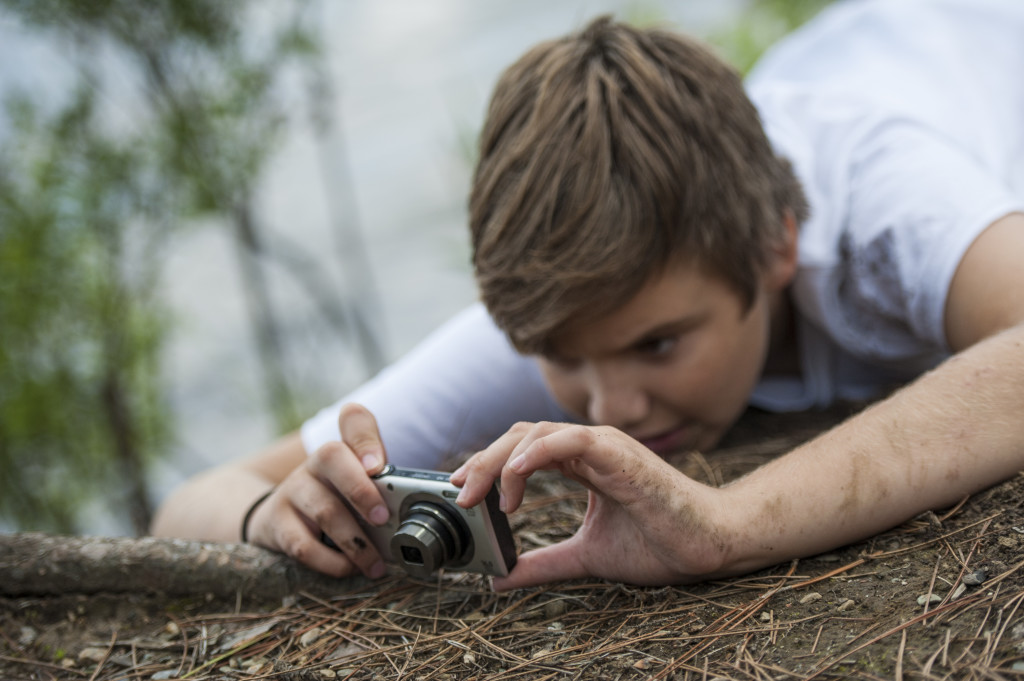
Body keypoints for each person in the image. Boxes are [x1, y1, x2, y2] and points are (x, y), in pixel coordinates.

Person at [151, 0, 1024, 591]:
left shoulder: (885, 210)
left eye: (658, 345)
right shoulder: (579, 304)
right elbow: (191, 500)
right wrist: (276, 511)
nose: (613, 404)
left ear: (775, 247)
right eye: (564, 358)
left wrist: (727, 523)